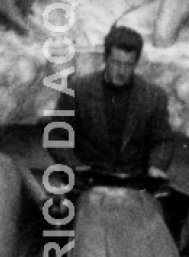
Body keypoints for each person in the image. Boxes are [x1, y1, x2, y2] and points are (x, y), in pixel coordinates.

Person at [50, 26, 174, 181]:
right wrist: (74, 165)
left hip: (134, 180)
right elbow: (56, 135)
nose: (121, 71)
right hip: (88, 178)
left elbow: (163, 140)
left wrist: (157, 166)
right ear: (105, 58)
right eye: (116, 62)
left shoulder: (154, 96)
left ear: (136, 63)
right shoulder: (77, 90)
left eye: (128, 64)